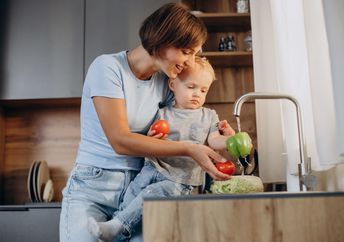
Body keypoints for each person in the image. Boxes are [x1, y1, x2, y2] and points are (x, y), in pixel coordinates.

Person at [59, 3, 231, 242]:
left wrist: (224, 137)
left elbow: (194, 119)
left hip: (144, 187)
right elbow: (120, 140)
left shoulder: (167, 81)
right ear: (164, 39)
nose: (190, 62)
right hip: (94, 187)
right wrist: (190, 149)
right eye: (187, 52)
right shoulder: (108, 68)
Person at [87, 56, 236, 242]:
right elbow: (148, 141)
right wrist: (151, 137)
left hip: (178, 180)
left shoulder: (208, 116)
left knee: (151, 197)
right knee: (132, 196)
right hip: (151, 169)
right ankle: (116, 233)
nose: (197, 94)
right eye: (191, 87)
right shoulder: (161, 111)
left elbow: (214, 141)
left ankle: (116, 227)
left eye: (203, 90)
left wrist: (230, 139)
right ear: (173, 85)